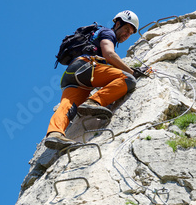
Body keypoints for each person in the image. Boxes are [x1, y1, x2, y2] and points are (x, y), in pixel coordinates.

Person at [45, 10, 145, 150]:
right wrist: (132, 72)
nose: (127, 34)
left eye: (130, 33)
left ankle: (54, 133)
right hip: (86, 67)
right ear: (117, 23)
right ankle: (94, 102)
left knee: (67, 105)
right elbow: (109, 54)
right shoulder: (108, 33)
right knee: (127, 79)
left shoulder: (98, 36)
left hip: (72, 75)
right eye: (126, 29)